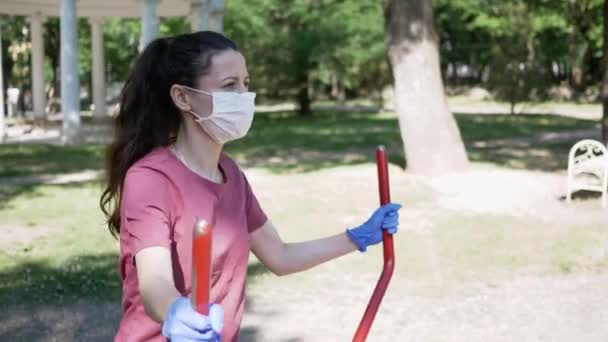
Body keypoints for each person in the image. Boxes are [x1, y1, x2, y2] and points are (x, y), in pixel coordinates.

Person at [100, 31, 401, 342]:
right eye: (229, 86)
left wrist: (357, 237)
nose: (244, 97)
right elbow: (154, 282)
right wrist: (177, 314)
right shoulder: (151, 178)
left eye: (246, 83)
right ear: (183, 97)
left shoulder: (230, 174)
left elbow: (280, 256)